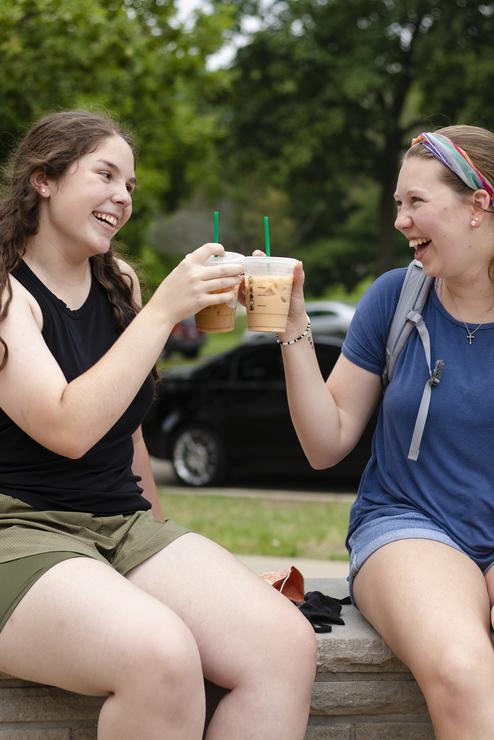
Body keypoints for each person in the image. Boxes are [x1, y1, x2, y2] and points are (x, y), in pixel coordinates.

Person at [0, 110, 316, 740]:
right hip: (18, 529)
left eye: (131, 187)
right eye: (106, 175)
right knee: (161, 657)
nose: (122, 197)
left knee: (285, 645)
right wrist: (167, 308)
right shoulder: (9, 292)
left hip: (119, 524)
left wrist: (168, 545)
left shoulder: (118, 282)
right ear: (44, 180)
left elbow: (127, 429)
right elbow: (68, 427)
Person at [276, 124, 494, 739]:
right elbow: (327, 442)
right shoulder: (397, 297)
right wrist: (293, 326)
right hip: (411, 525)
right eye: (398, 203)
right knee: (459, 669)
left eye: (416, 202)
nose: (401, 220)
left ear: (479, 205)